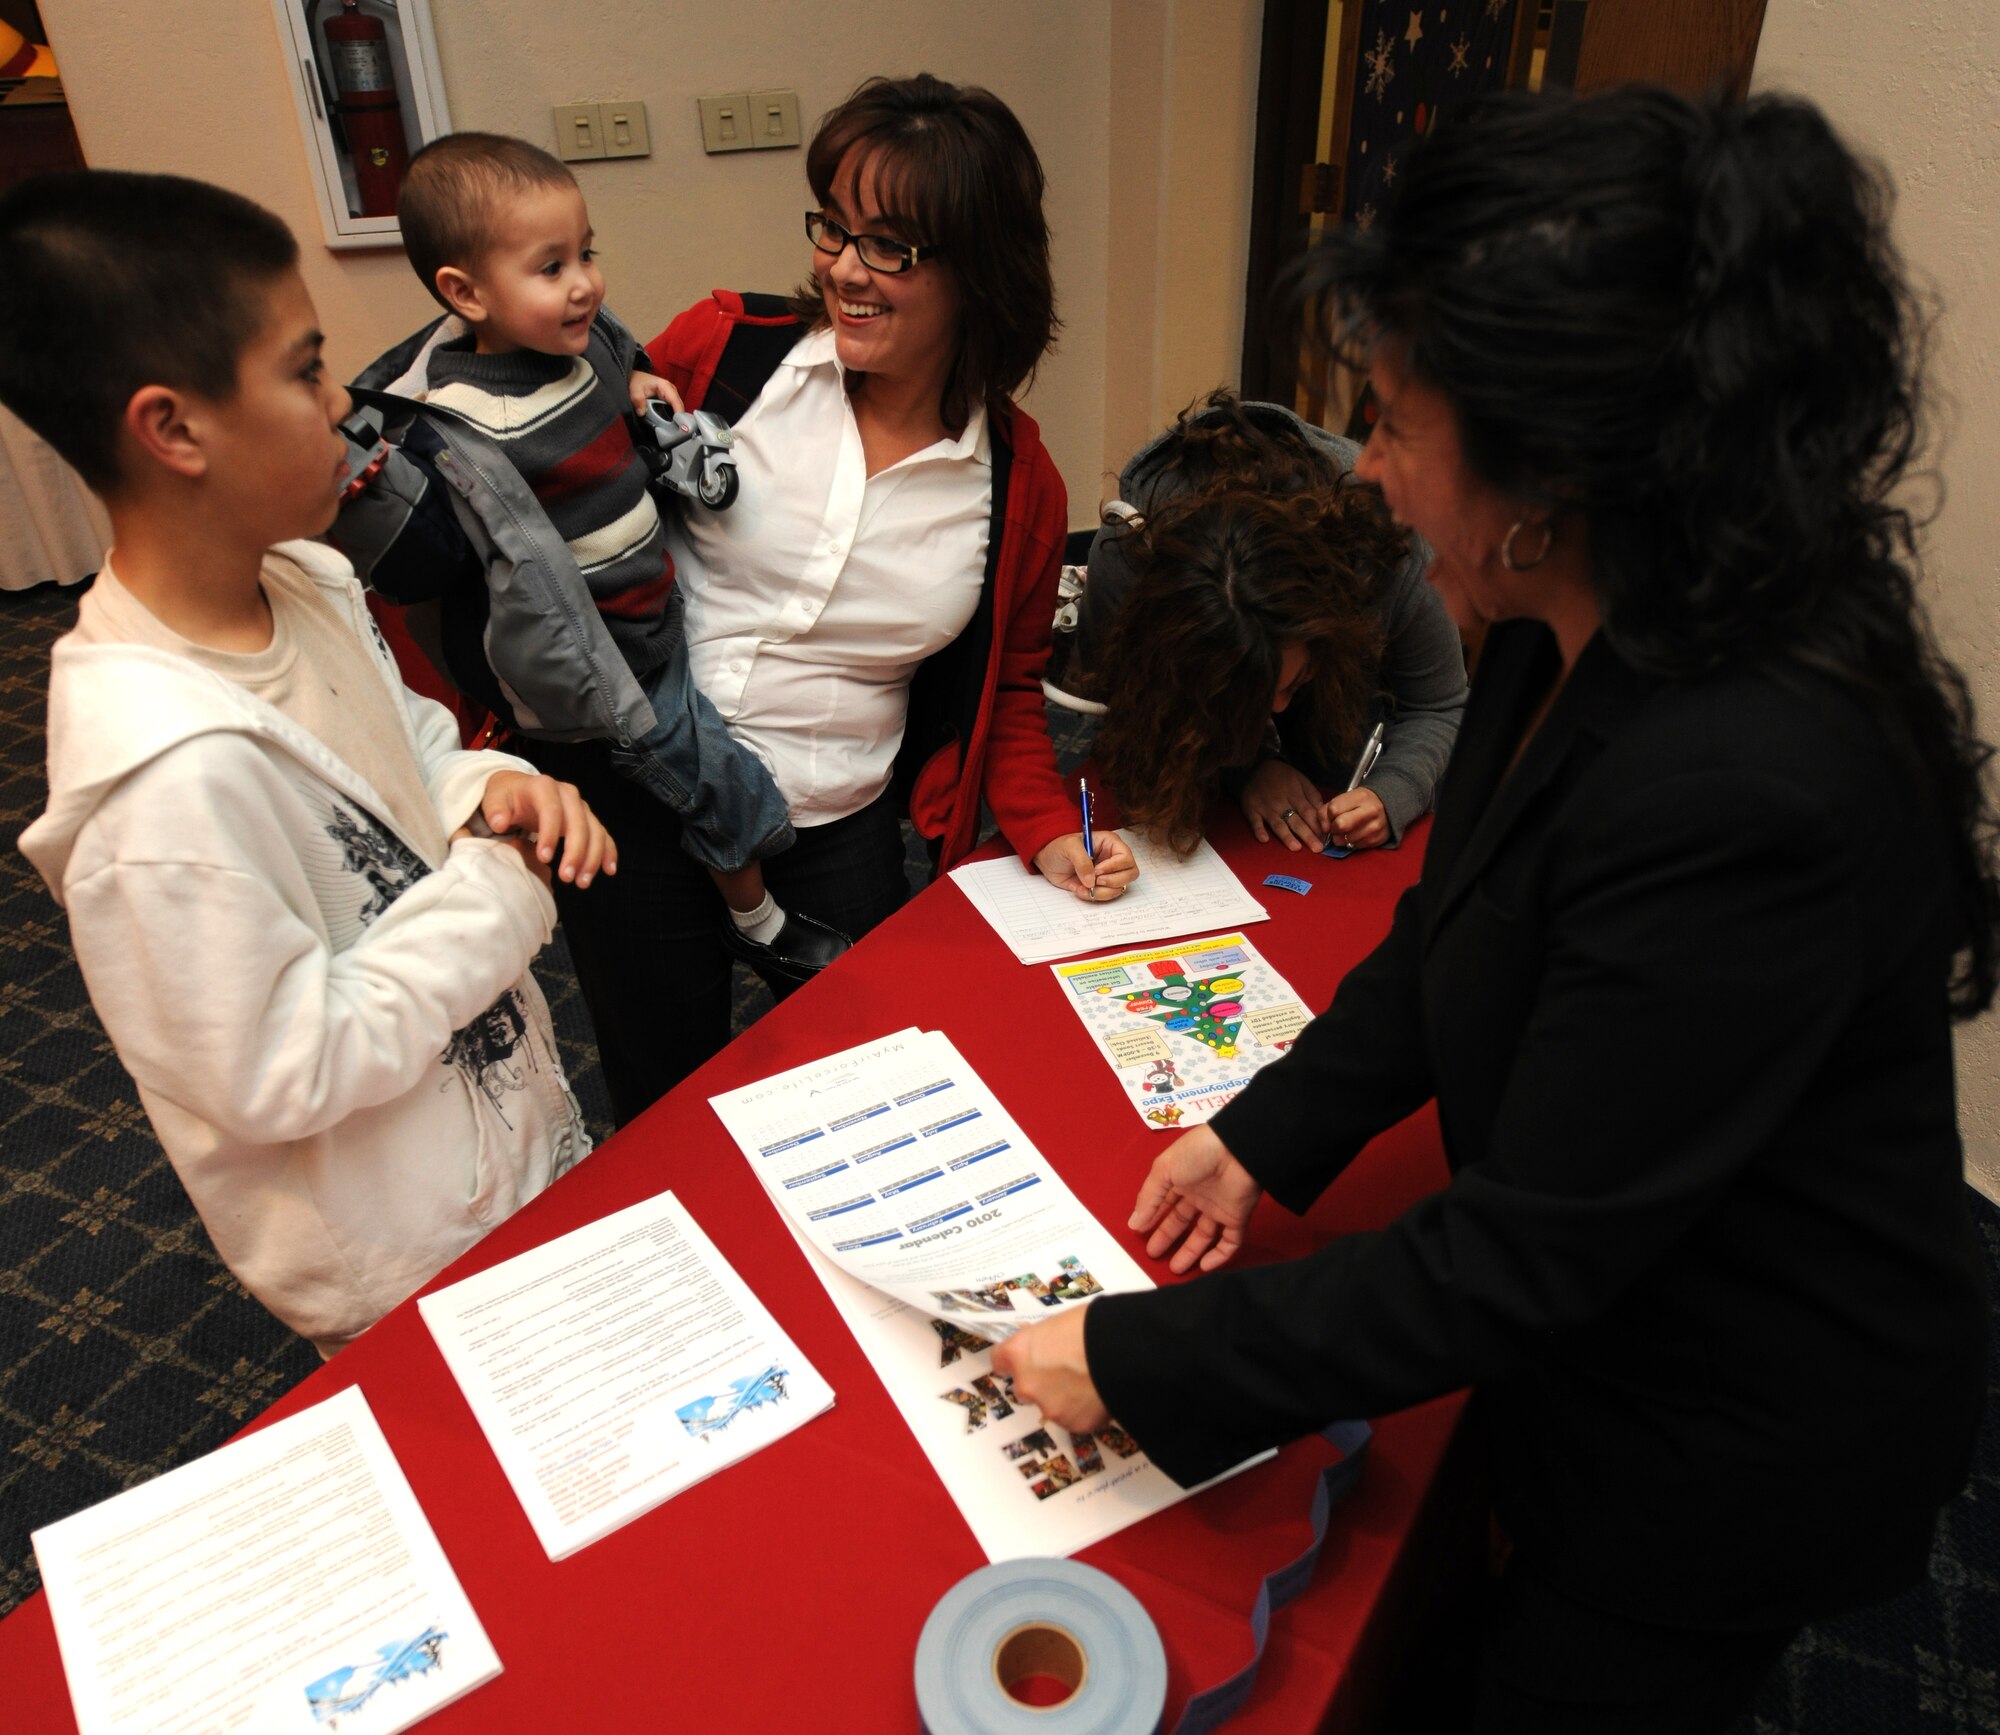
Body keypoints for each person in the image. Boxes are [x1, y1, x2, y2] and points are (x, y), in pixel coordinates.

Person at [996, 85, 1995, 1732]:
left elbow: (1520, 1256)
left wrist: (1135, 1360)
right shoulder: (1566, 608)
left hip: (1737, 1421)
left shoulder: (1750, 777)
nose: (1378, 479)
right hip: (1617, 1331)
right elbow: (1454, 927)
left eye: (1395, 424)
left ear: (1550, 460)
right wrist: (1265, 1136)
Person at [3, 170, 615, 1356]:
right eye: (305, 369)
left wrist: (484, 788)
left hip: (498, 1128)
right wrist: (501, 885)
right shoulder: (158, 783)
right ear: (173, 428)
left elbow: (402, 755)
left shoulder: (311, 579)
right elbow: (284, 1067)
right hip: (405, 1245)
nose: (343, 402)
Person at [533, 71, 1136, 1122]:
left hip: (832, 825)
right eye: (834, 228)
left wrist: (1050, 828)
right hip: (640, 793)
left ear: (978, 268)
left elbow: (1008, 691)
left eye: (889, 245)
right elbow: (557, 502)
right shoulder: (725, 352)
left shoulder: (1018, 484)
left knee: (868, 1091)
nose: (846, 269)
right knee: (663, 1107)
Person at [335, 132, 847, 990]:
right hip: (612, 666)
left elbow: (615, 362)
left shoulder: (578, 346)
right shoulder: (461, 421)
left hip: (654, 607)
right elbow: (420, 551)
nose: (584, 283)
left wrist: (637, 378)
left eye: (587, 253)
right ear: (465, 293)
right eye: (551, 267)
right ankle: (759, 922)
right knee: (716, 778)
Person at [1075, 391, 1466, 855]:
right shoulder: (1127, 559)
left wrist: (1393, 791)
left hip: (1343, 745)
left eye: (1290, 682)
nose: (1277, 710)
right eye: (1253, 696)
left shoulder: (1387, 542)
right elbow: (1132, 719)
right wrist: (1248, 767)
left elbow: (1439, 705)